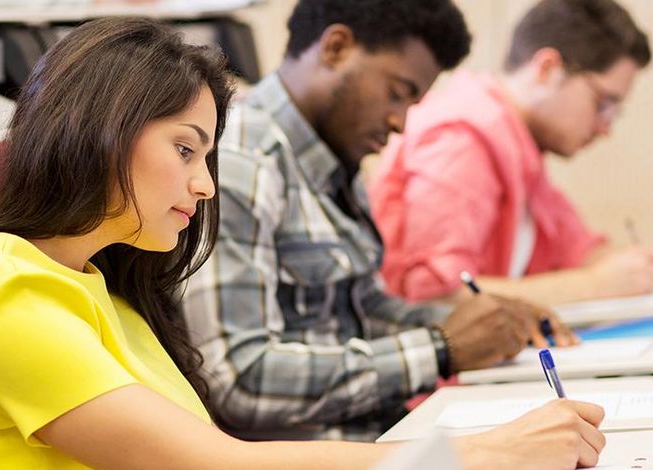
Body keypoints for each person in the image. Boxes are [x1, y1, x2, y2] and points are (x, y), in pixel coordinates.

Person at [0, 16, 605, 470]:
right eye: (184, 150)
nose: (205, 184)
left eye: (205, 156)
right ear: (100, 128)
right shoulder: (10, 297)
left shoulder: (95, 281)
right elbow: (219, 462)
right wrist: (474, 455)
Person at [180, 0, 578, 443]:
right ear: (336, 47)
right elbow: (238, 379)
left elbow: (363, 310)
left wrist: (483, 322)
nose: (400, 123)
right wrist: (440, 347)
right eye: (397, 91)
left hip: (386, 437)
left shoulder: (331, 160)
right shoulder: (242, 160)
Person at [368, 0, 653, 305]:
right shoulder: (464, 139)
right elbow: (429, 295)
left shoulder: (517, 145)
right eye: (603, 103)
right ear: (547, 68)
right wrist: (596, 287)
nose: (604, 128)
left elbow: (581, 251)